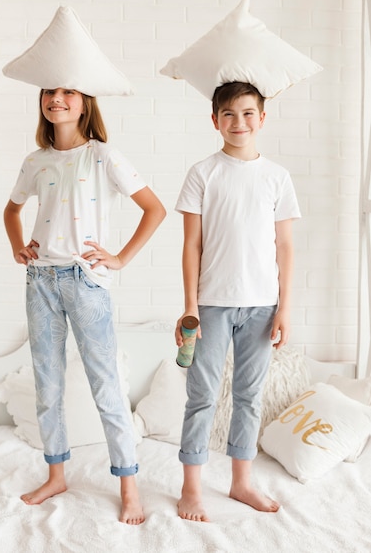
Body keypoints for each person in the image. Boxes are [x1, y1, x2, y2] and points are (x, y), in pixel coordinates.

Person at [4, 87, 166, 524]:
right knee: (48, 385)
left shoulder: (103, 156)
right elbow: (11, 210)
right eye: (49, 92)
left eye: (67, 92)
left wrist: (120, 258)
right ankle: (56, 475)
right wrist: (20, 247)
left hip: (86, 283)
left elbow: (154, 209)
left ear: (84, 102)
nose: (57, 99)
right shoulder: (35, 161)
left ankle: (129, 486)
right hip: (40, 282)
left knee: (107, 387)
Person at [174, 81, 301, 522]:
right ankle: (191, 487)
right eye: (228, 114)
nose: (239, 122)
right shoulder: (202, 173)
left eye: (248, 113)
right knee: (202, 395)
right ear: (214, 120)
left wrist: (284, 307)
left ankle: (241, 482)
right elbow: (192, 245)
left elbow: (284, 246)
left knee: (248, 396)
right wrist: (190, 305)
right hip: (210, 305)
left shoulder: (277, 177)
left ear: (262, 119)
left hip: (263, 307)